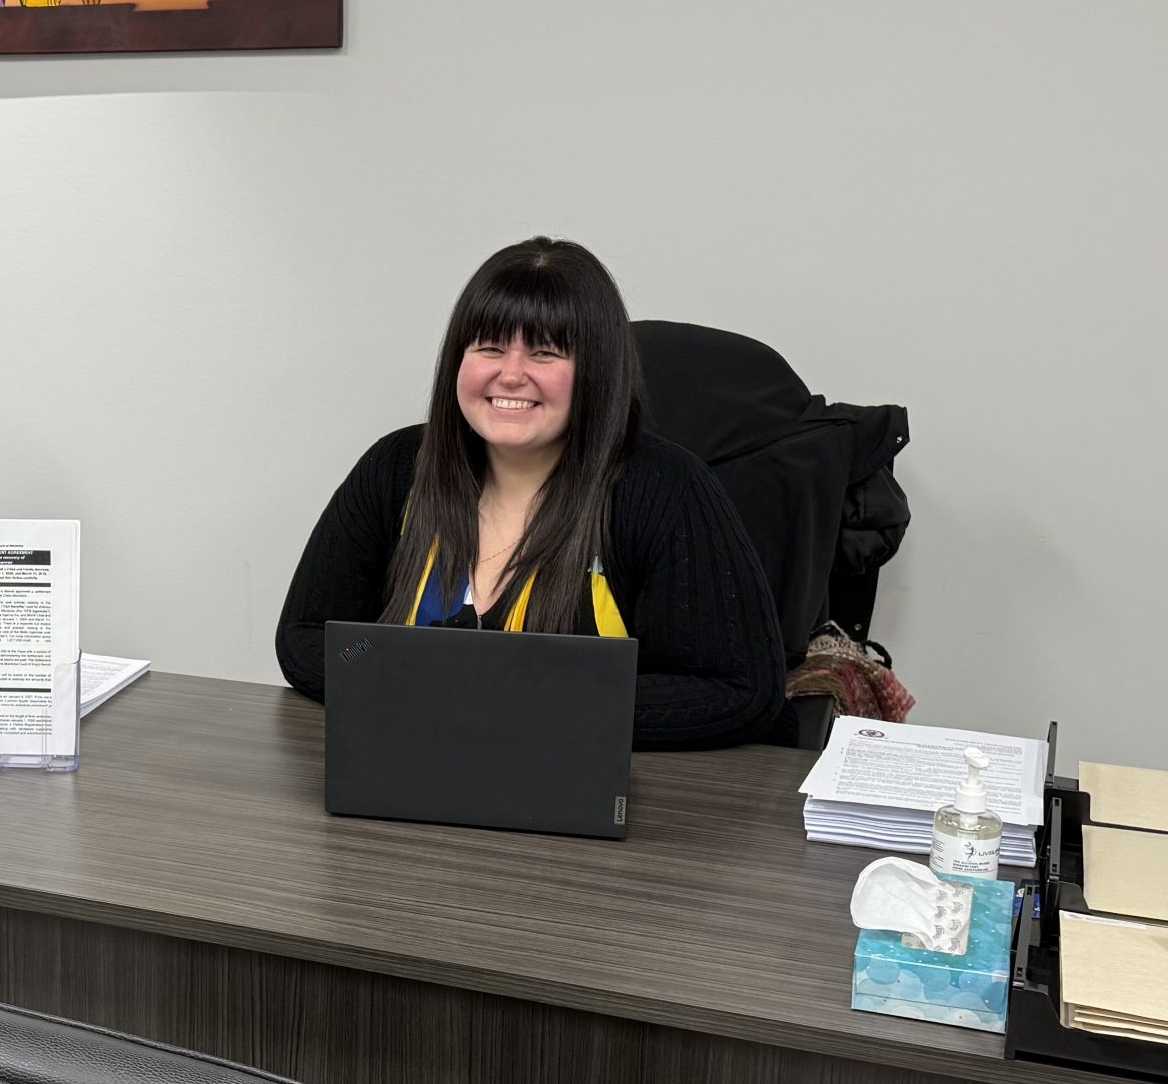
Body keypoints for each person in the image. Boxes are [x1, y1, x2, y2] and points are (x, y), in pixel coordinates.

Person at [273, 237, 785, 749]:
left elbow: (739, 692)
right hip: (411, 772)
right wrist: (394, 671)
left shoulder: (666, 492)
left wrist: (520, 703)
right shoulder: (397, 469)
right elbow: (312, 638)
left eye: (544, 352)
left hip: (588, 796)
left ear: (597, 372)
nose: (511, 374)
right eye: (490, 347)